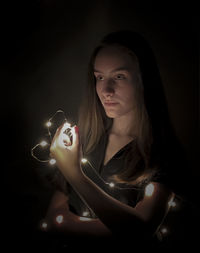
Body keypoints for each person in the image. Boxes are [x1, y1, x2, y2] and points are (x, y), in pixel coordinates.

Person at [39, 30, 189, 250]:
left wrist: (75, 174)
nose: (106, 90)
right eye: (99, 77)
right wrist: (114, 227)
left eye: (119, 76)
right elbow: (53, 220)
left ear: (144, 80)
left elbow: (139, 231)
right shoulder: (84, 141)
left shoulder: (162, 153)